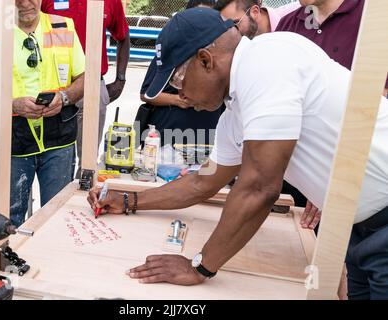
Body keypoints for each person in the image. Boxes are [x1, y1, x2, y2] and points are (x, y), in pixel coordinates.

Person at [88, 8, 388, 299]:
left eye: (178, 82)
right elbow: (203, 182)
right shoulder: (236, 111)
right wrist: (130, 200)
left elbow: (260, 187)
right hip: (358, 229)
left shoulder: (267, 60)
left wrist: (200, 267)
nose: (181, 95)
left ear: (205, 60)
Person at [0, 0, 85, 227]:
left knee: (56, 217)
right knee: (7, 221)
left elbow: (84, 78)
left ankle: (50, 261)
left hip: (58, 138)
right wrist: (12, 104)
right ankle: (7, 261)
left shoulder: (63, 26)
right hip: (13, 139)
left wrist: (64, 98)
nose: (24, 3)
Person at [277, 0, 388, 227]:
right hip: (311, 184)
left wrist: (329, 178)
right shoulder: (289, 27)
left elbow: (377, 105)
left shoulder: (374, 17)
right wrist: (316, 179)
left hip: (369, 186)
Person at [41, 0, 131, 178]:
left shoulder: (109, 2)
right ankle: (57, 201)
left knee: (87, 166)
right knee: (54, 164)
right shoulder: (46, 1)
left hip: (92, 86)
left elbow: (123, 36)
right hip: (53, 87)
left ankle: (81, 201)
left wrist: (120, 79)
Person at [140, 0, 224, 146]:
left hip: (207, 137)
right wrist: (179, 101)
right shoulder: (172, 50)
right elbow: (146, 93)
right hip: (170, 134)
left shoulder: (227, 65)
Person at [215, 0, 300, 38]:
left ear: (255, 12)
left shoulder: (298, 16)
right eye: (227, 28)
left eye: (235, 24)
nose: (232, 32)